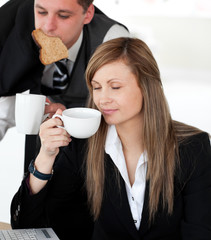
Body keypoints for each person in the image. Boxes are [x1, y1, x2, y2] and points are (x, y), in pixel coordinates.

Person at [11, 37, 211, 239]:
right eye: (96, 87)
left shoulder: (194, 147)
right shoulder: (83, 146)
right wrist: (46, 155)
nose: (102, 99)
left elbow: (200, 231)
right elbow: (28, 226)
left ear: (147, 87)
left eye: (115, 87)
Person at [0, 0, 129, 171]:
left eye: (63, 16)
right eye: (41, 12)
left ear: (88, 13)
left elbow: (127, 115)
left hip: (99, 144)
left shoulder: (111, 39)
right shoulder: (13, 35)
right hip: (43, 147)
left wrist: (70, 116)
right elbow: (5, 108)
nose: (48, 26)